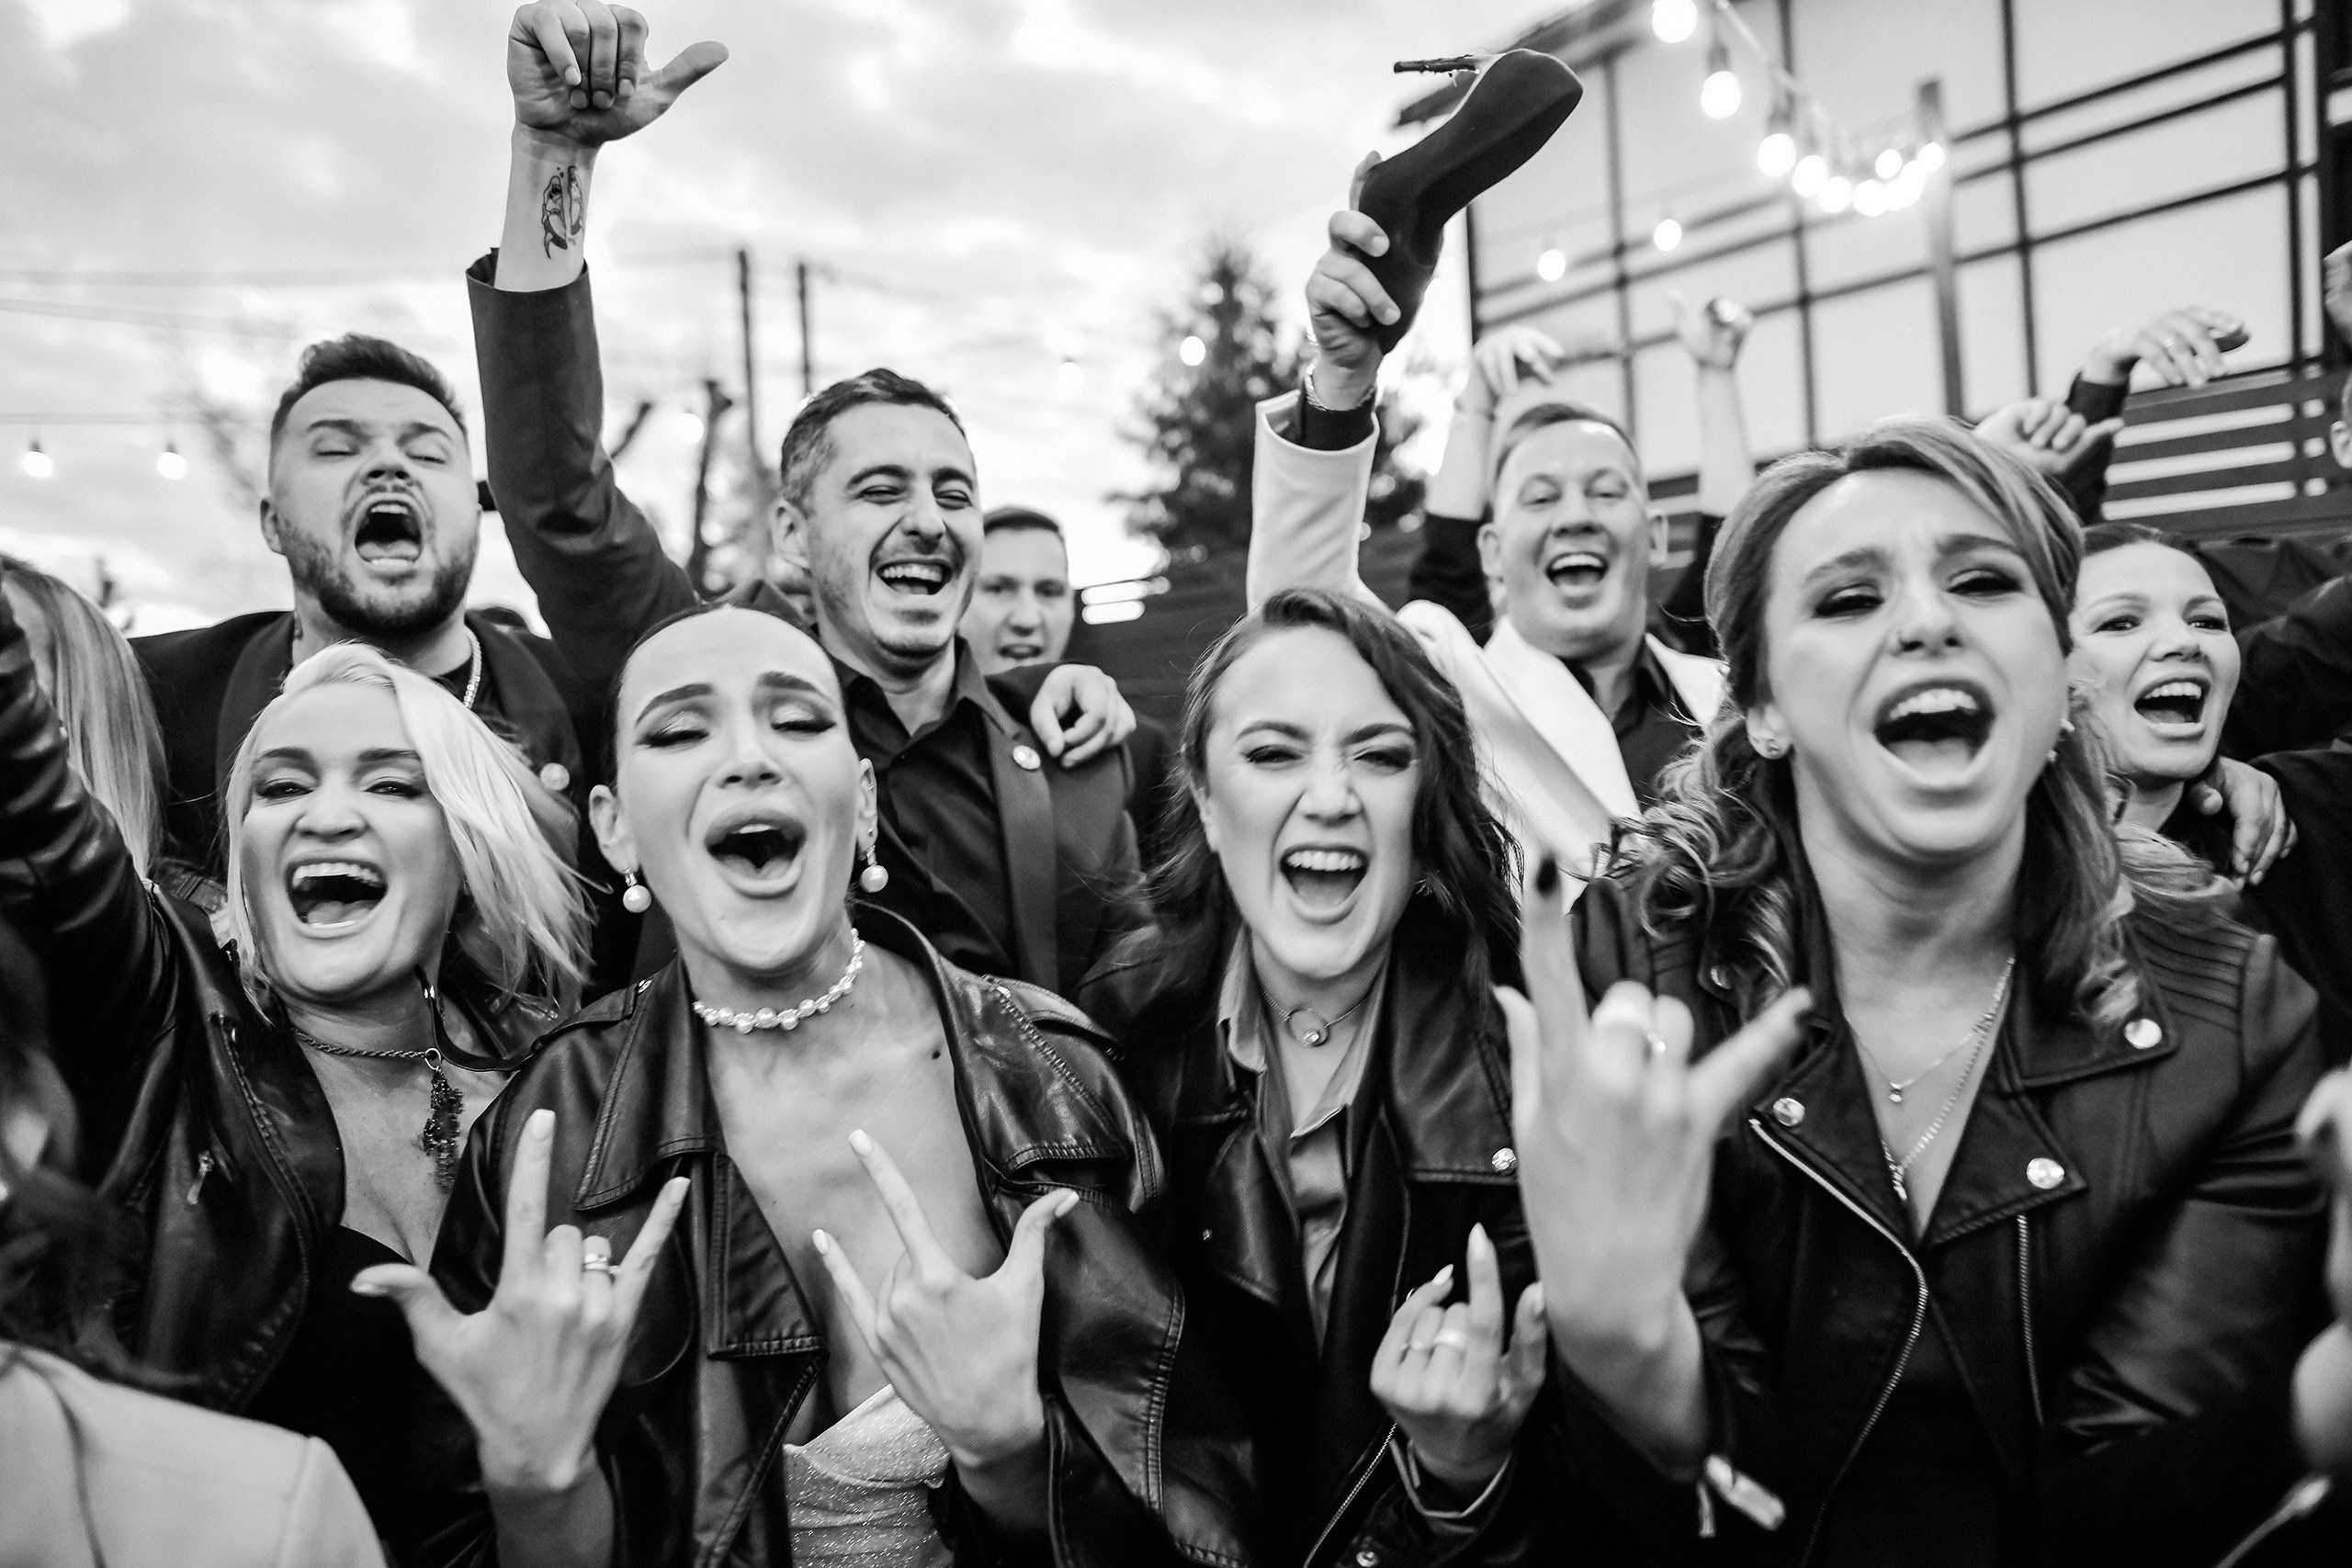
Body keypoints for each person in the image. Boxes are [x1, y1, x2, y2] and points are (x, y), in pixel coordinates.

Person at [1506, 419, 2326, 1565]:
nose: (1928, 620)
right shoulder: (1633, 968)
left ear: (2056, 681)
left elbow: (2118, 1506)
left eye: (1983, 582)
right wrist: (1626, 1357)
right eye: (1845, 601)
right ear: (1763, 709)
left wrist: (2312, 1414)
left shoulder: (2228, 1014)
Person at [374, 602, 1250, 1568]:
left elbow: (1208, 1516)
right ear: (617, 833)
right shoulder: (551, 1129)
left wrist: (1011, 1457)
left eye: (796, 719)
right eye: (678, 729)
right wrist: (538, 1483)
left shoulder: (1053, 1074)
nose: (750, 757)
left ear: (864, 803)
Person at [466, 2, 1140, 997]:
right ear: (789, 537)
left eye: (954, 492)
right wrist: (553, 160)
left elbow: (1133, 1024)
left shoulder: (1073, 751)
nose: (927, 519)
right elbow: (559, 502)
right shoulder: (698, 672)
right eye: (880, 489)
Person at [0, 580, 589, 1555]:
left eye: (392, 784)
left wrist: (542, 1469)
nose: (325, 815)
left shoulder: (566, 1095)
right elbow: (46, 832)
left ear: (469, 849)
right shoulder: (167, 1027)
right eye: (280, 786)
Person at [1080, 587, 1594, 1566]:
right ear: (1201, 789)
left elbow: (1628, 1490)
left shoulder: (1538, 1044)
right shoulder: (1108, 1035)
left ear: (1429, 793)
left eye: (1380, 754)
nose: (1329, 796)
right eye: (1273, 753)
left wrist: (1462, 1477)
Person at [1247, 166, 1757, 874]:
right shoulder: (1448, 691)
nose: (1575, 516)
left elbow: (1733, 543)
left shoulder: (1732, 700)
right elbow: (1301, 616)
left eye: (1606, 493)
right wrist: (1342, 380)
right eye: (1541, 498)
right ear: (1491, 550)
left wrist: (1716, 375)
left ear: (1657, 533)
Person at [129, 337, 602, 918]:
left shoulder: (596, 702)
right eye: (334, 449)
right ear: (273, 523)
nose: (389, 466)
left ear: (475, 516)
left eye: (428, 455)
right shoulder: (151, 699)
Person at [0, 913, 389, 1568]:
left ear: (23, 1124)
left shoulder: (265, 1525)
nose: (329, 816)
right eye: (282, 797)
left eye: (392, 798)